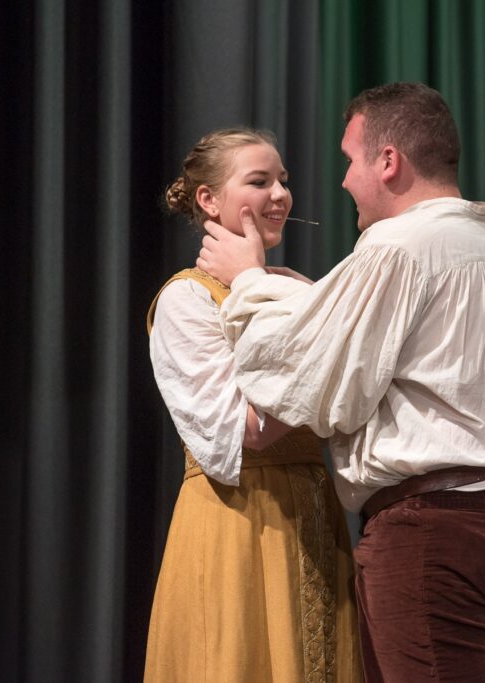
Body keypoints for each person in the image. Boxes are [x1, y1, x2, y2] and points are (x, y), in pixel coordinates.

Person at [199, 83, 485, 682]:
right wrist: (306, 299)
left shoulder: (400, 246)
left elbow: (313, 381)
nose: (342, 181)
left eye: (350, 160)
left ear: (388, 161)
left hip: (441, 529)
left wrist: (249, 281)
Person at [144, 127, 361, 682]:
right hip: (242, 522)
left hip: (314, 517)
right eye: (259, 181)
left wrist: (271, 290)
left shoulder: (291, 289)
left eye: (283, 181)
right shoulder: (187, 299)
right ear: (208, 199)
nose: (280, 194)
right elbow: (249, 428)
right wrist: (315, 342)